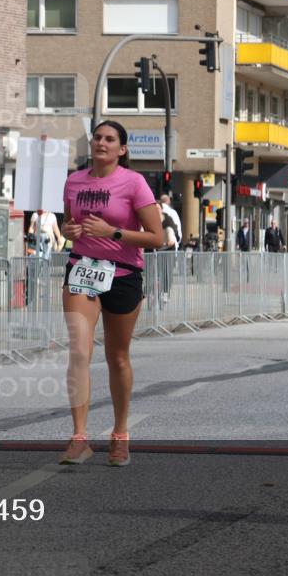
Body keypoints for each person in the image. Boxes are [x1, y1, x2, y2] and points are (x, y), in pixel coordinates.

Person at [59, 121, 163, 467]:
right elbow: (68, 224)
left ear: (122, 149)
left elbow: (157, 237)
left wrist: (112, 232)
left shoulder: (133, 183)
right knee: (79, 351)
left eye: (110, 139)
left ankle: (120, 434)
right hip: (82, 269)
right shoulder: (74, 181)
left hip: (123, 274)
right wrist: (69, 230)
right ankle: (79, 438)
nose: (101, 143)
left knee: (117, 357)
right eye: (97, 137)